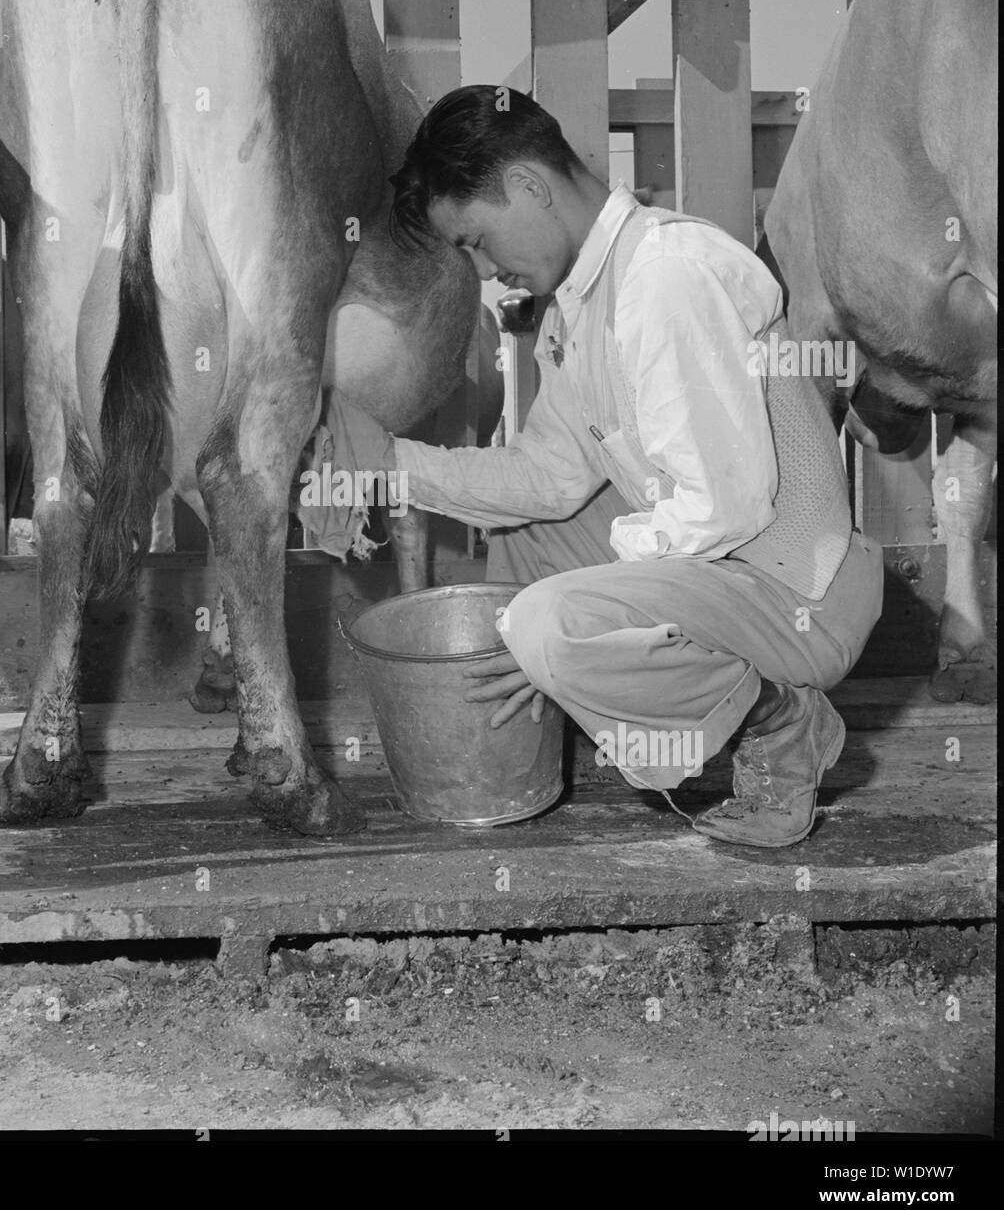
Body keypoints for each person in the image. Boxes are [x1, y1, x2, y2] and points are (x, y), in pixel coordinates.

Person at [330, 85, 884, 848]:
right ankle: (600, 712)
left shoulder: (665, 275)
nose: (486, 271)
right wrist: (387, 465)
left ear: (528, 187)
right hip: (731, 579)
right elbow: (545, 479)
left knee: (546, 619)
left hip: (799, 597)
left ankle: (781, 725)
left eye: (477, 242)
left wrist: (576, 620)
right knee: (528, 534)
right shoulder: (585, 305)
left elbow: (725, 507)